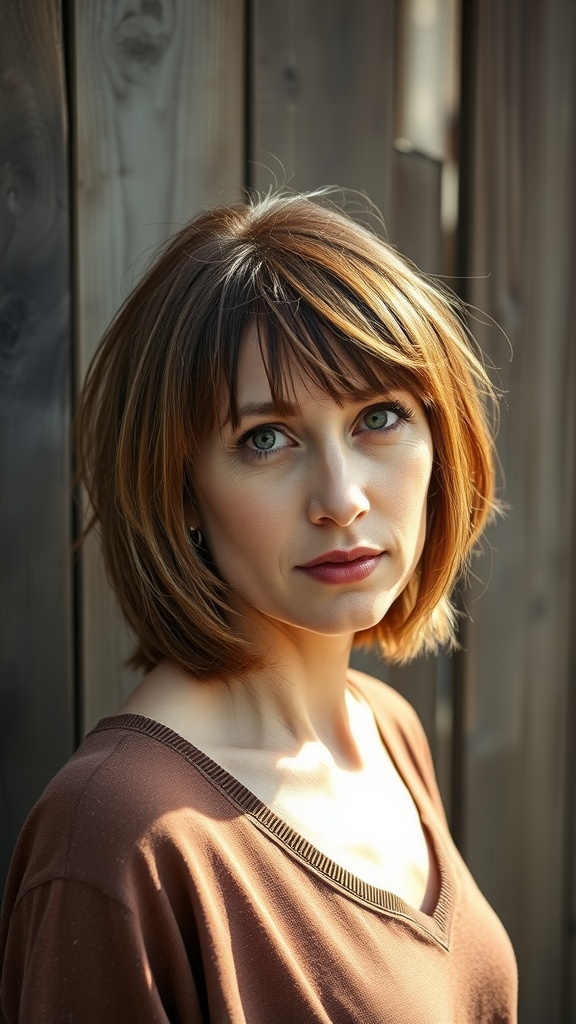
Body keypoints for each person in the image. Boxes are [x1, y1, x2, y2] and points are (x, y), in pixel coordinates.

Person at [0, 191, 517, 1022]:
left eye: (379, 417)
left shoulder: (384, 729)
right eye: (265, 439)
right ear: (181, 492)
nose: (342, 498)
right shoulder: (116, 838)